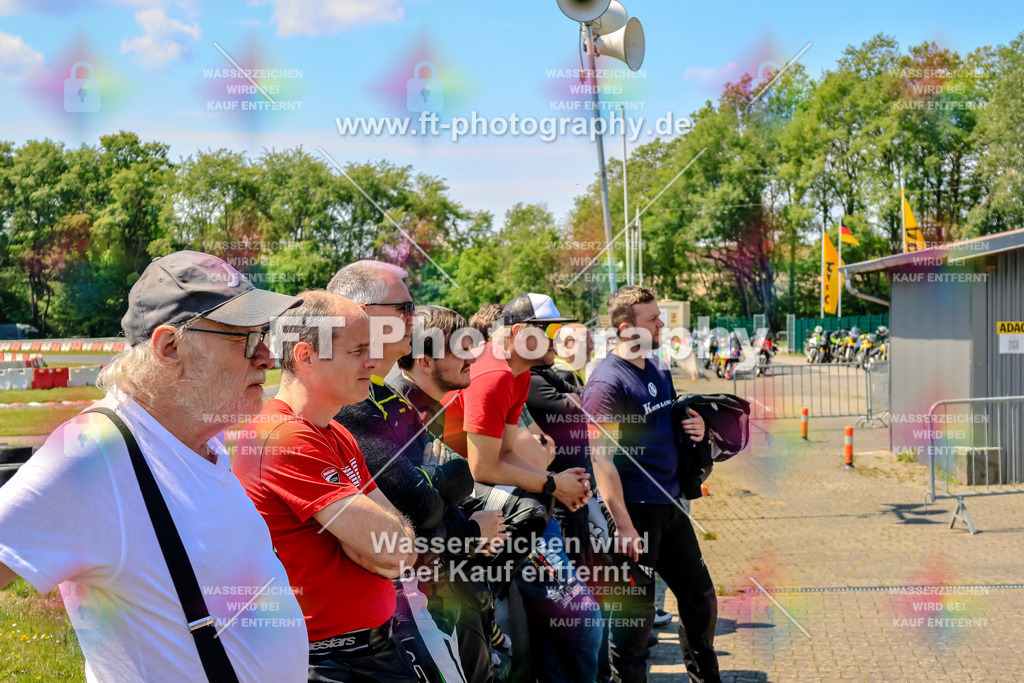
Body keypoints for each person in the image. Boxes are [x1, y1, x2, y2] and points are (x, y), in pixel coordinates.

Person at [0, 250, 308, 681]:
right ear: (170, 346)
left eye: (263, 335)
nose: (266, 356)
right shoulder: (93, 450)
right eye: (244, 338)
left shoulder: (202, 436)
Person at [328, 263, 506, 683]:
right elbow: (419, 506)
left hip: (422, 593)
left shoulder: (383, 394)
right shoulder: (355, 400)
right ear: (360, 312)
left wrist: (447, 483)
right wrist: (466, 529)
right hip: (394, 611)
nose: (414, 316)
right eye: (404, 307)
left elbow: (445, 484)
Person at [234, 290, 419, 682]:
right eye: (357, 350)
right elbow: (394, 546)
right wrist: (374, 547)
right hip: (328, 662)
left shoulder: (334, 431)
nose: (373, 361)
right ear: (305, 356)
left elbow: (398, 551)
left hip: (368, 648)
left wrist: (370, 545)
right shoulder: (284, 438)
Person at [583, 285, 719, 683]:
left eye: (660, 316)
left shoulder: (657, 366)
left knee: (701, 601)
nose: (662, 324)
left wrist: (695, 425)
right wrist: (622, 524)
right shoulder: (606, 383)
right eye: (653, 319)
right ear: (627, 329)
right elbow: (600, 457)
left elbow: (671, 419)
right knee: (634, 628)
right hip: (634, 513)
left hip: (671, 506)